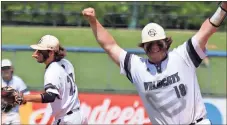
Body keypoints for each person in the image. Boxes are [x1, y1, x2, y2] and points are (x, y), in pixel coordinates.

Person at [82, 2, 227, 125]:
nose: (155, 47)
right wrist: (93, 21)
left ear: (166, 42)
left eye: (158, 42)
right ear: (143, 47)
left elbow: (207, 30)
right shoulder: (137, 67)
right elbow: (110, 46)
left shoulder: (183, 56)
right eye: (149, 44)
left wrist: (223, 8)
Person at [19, 35, 86, 125]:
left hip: (66, 120)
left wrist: (24, 98)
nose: (36, 53)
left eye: (40, 51)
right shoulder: (66, 63)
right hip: (79, 116)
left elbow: (50, 96)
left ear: (51, 53)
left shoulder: (52, 70)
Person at [1, 59, 30, 125]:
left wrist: (15, 99)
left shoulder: (18, 81)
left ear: (11, 69)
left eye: (7, 68)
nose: (5, 70)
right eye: (3, 68)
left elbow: (26, 98)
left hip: (14, 114)